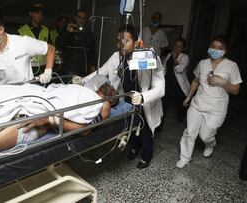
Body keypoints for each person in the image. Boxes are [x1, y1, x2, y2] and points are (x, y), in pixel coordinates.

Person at [83, 24, 165, 169]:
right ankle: (135, 146)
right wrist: (82, 80)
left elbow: (160, 89)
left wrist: (143, 97)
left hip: (144, 100)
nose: (121, 45)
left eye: (125, 41)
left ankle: (147, 155)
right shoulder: (116, 56)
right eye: (118, 41)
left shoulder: (147, 57)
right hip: (127, 98)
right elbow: (101, 72)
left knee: (144, 129)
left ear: (136, 42)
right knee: (131, 127)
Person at [176, 35, 242, 168]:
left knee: (206, 135)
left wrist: (222, 82)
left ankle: (210, 143)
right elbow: (195, 81)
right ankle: (185, 157)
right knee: (190, 132)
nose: (215, 50)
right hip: (197, 104)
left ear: (226, 50)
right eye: (213, 47)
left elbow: (236, 90)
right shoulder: (202, 63)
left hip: (216, 109)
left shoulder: (231, 66)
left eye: (220, 48)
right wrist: (188, 97)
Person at [56, 9, 97, 77]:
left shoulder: (88, 33)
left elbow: (92, 51)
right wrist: (67, 32)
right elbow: (58, 43)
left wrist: (93, 66)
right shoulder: (68, 29)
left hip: (84, 71)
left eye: (83, 18)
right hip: (70, 70)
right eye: (79, 17)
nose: (81, 20)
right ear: (75, 17)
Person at [162, 38, 190, 121]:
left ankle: (180, 118)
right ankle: (160, 119)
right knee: (163, 101)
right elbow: (164, 67)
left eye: (179, 46)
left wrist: (174, 58)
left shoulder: (185, 57)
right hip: (168, 81)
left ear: (183, 48)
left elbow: (179, 69)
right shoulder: (169, 55)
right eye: (175, 45)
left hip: (179, 83)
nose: (175, 48)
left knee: (180, 102)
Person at [18, 3, 50, 75]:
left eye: (41, 14)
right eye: (37, 13)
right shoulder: (21, 30)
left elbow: (49, 50)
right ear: (31, 14)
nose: (40, 16)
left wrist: (48, 69)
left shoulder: (46, 30)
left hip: (43, 70)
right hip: (28, 70)